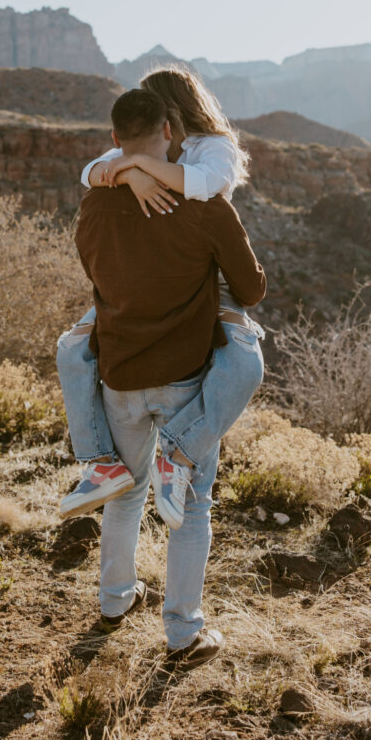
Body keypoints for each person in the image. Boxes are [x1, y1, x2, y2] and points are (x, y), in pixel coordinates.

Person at [73, 88, 266, 663]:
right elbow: (252, 289)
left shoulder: (94, 204)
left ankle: (114, 601)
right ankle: (183, 633)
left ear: (114, 139)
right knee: (190, 508)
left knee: (124, 495)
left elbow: (96, 275)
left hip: (120, 375)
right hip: (186, 379)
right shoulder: (205, 207)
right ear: (169, 131)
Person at [58, 66, 265, 527]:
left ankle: (181, 450)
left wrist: (140, 167)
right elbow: (90, 171)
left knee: (243, 362)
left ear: (169, 115)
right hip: (148, 272)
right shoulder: (152, 141)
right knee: (70, 348)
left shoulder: (215, 147)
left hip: (203, 274)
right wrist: (130, 174)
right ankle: (98, 462)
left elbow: (204, 187)